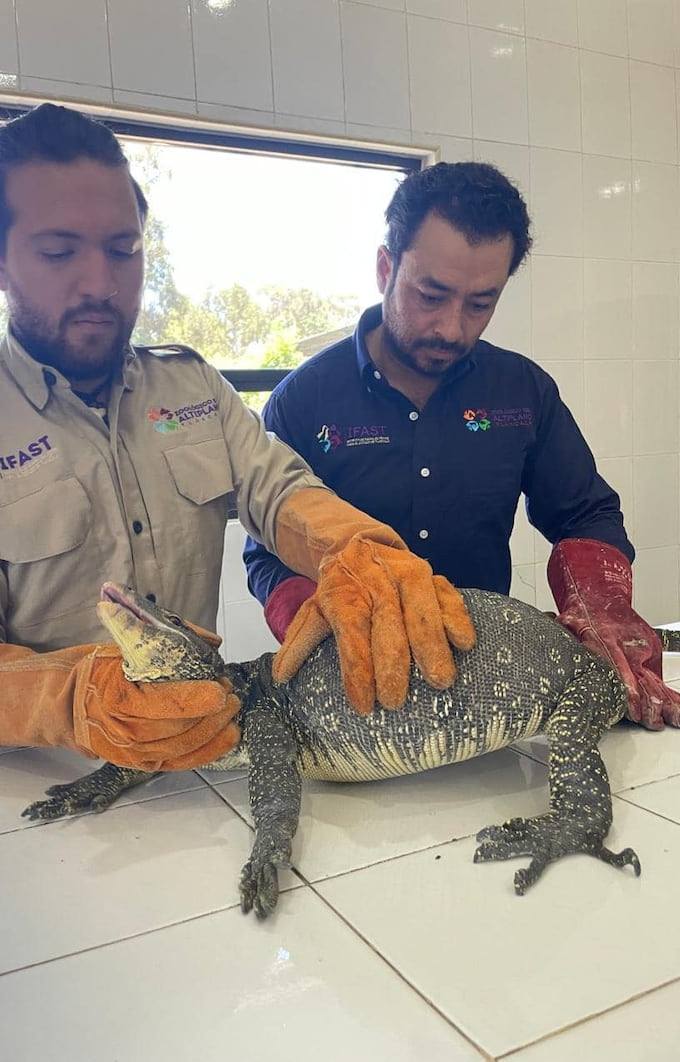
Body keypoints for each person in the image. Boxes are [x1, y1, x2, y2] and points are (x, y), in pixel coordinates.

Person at [0, 104, 475, 768]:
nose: (101, 284)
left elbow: (280, 494)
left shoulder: (190, 390)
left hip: (188, 766)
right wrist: (78, 700)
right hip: (22, 791)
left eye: (123, 250)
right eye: (58, 252)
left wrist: (354, 548)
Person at [244, 160, 680, 731]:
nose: (452, 327)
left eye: (480, 303)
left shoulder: (521, 391)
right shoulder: (304, 400)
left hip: (488, 683)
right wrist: (322, 619)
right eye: (431, 295)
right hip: (359, 688)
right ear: (385, 268)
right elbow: (266, 552)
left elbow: (586, 514)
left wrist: (599, 605)